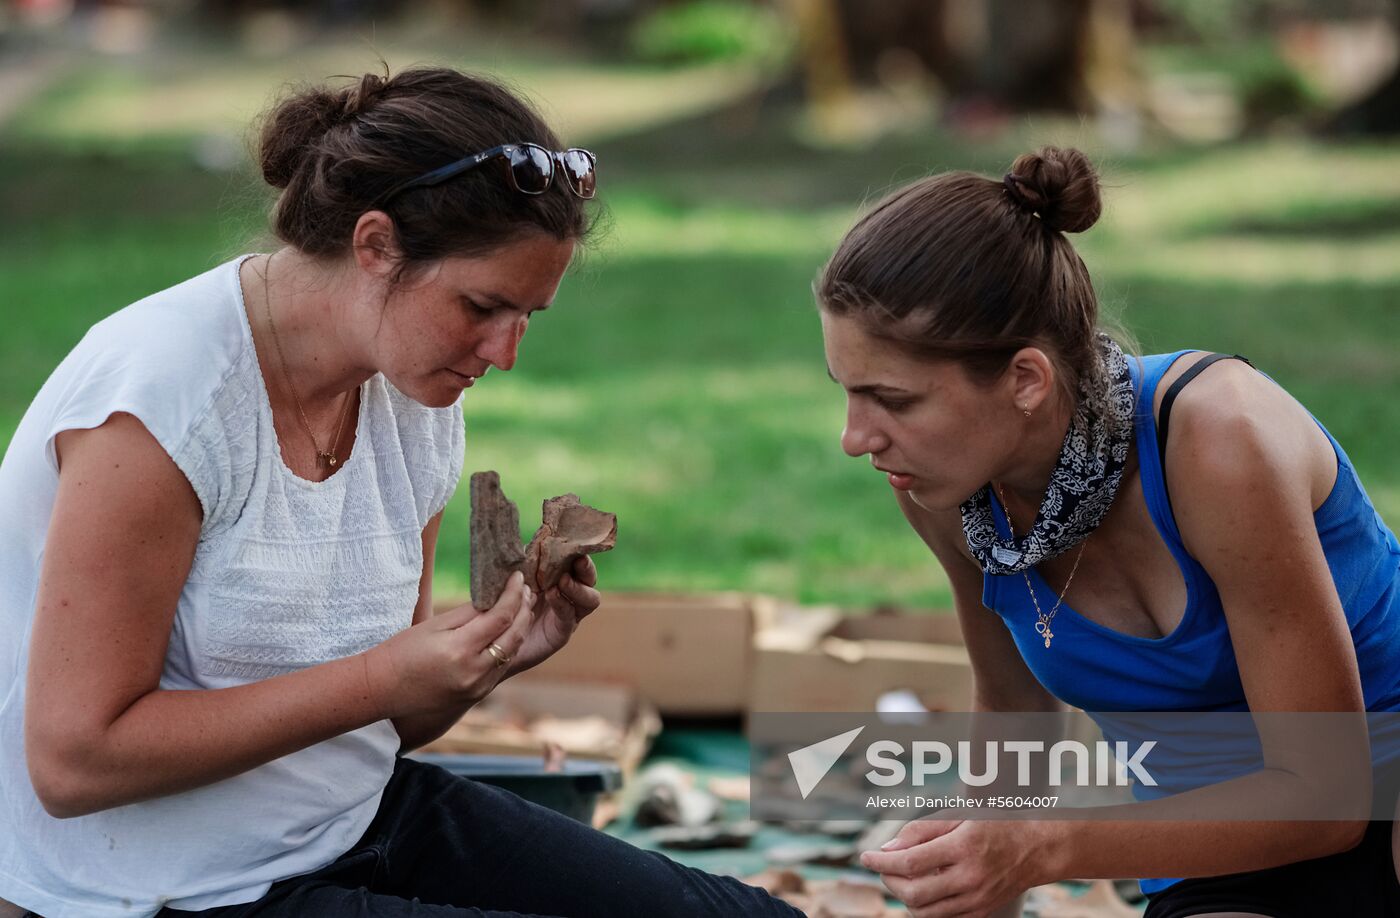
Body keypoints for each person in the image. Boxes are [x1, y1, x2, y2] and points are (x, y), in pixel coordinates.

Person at [0, 67, 801, 918]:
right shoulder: (164, 402)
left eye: (529, 315)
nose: (505, 353)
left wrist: (479, 664)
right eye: (484, 306)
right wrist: (383, 679)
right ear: (374, 244)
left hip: (347, 821)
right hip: (149, 888)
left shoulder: (413, 391)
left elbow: (382, 724)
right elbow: (74, 762)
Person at [816, 146, 1400, 917]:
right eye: (848, 393)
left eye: (892, 399)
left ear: (1027, 379)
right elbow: (1017, 721)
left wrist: (1049, 845)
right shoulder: (941, 492)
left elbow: (1326, 796)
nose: (856, 438)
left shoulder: (1219, 439)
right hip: (1220, 846)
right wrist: (969, 874)